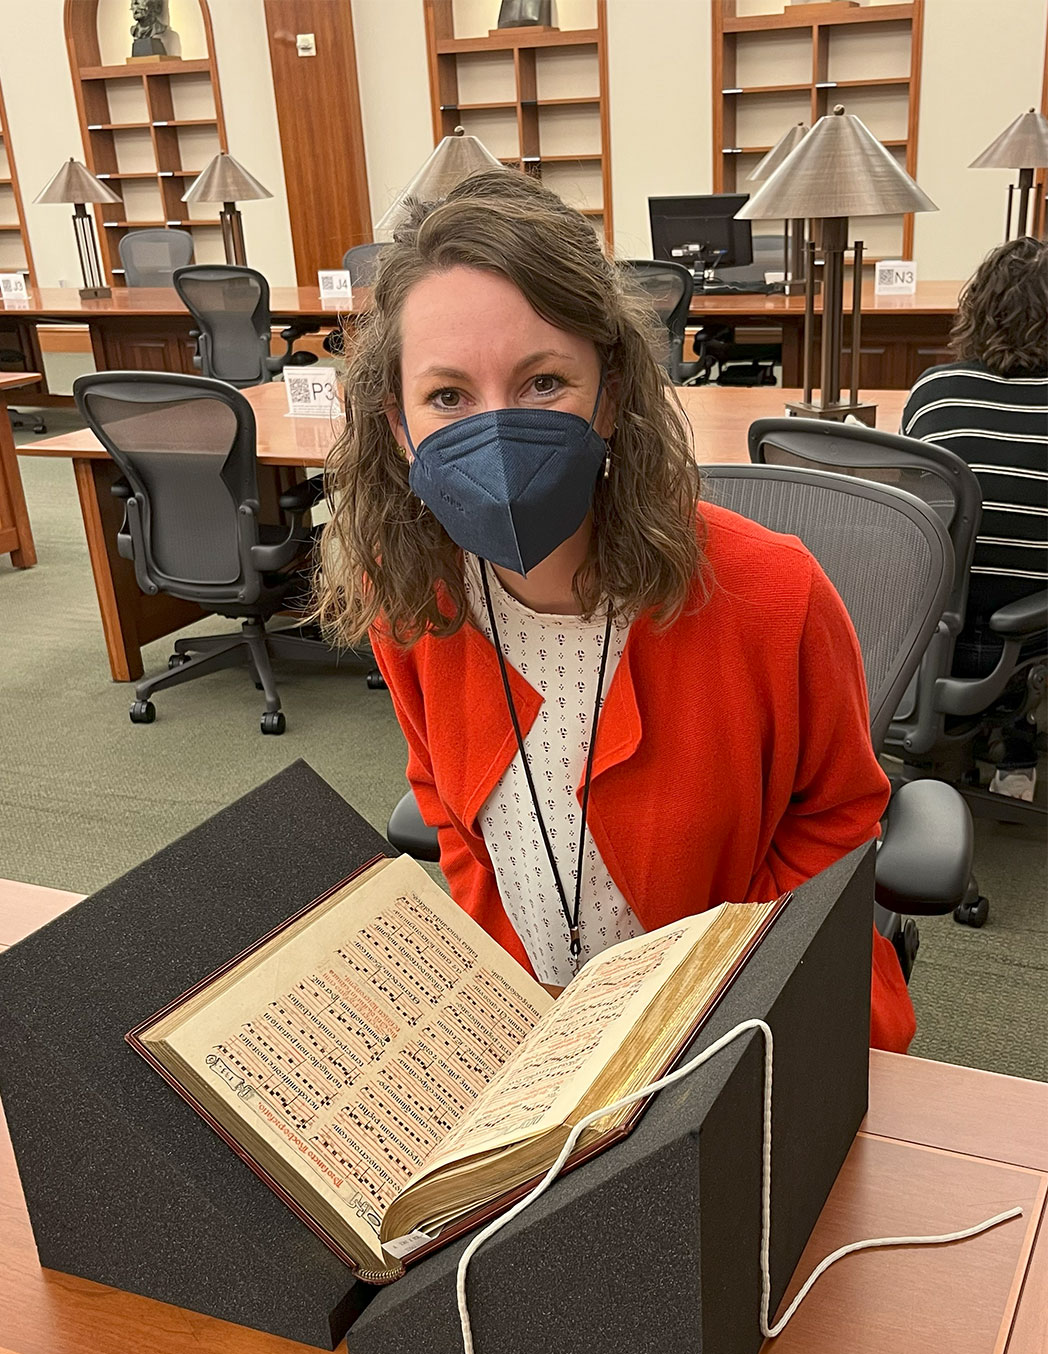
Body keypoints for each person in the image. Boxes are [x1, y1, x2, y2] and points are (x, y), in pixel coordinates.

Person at [318, 170, 915, 1052]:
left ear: (612, 392)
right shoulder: (411, 596)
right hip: (533, 1034)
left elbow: (837, 819)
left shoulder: (774, 594)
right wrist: (511, 999)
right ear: (398, 426)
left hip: (732, 1017)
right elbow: (445, 809)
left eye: (544, 381)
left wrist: (705, 1009)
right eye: (447, 396)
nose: (496, 429)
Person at [901, 235, 1047, 800]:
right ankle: (1017, 742)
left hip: (927, 633)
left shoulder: (936, 392)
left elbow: (916, 508)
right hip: (1026, 638)